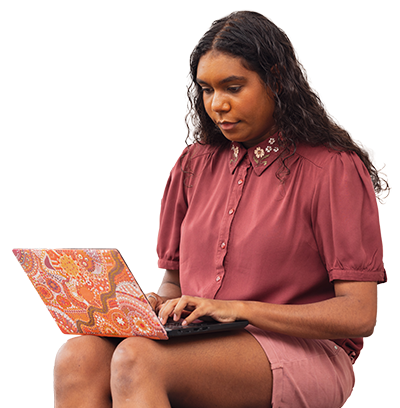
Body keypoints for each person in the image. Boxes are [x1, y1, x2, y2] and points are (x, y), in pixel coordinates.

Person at [54, 10, 390, 408]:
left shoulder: (331, 168)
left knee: (137, 360)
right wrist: (160, 305)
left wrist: (235, 310)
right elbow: (174, 283)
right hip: (201, 339)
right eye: (207, 90)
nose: (218, 105)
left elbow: (358, 315)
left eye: (232, 88)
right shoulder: (193, 164)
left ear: (277, 80)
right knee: (79, 356)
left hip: (304, 351)